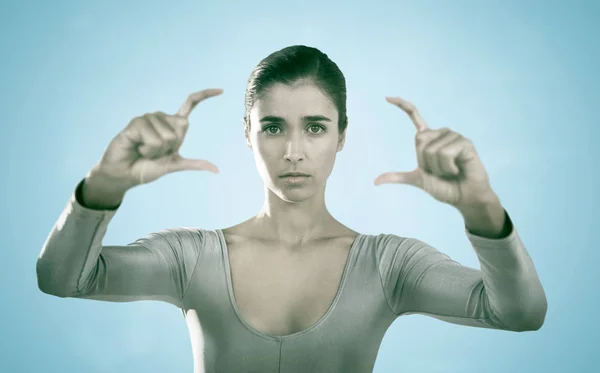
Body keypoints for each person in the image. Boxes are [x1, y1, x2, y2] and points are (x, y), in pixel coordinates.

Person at [36, 45, 547, 373]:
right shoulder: (190, 257)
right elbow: (64, 278)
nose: (294, 151)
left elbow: (519, 313)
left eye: (316, 127)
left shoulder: (389, 265)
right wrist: (103, 186)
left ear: (342, 137)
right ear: (247, 135)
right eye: (274, 126)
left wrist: (481, 208)